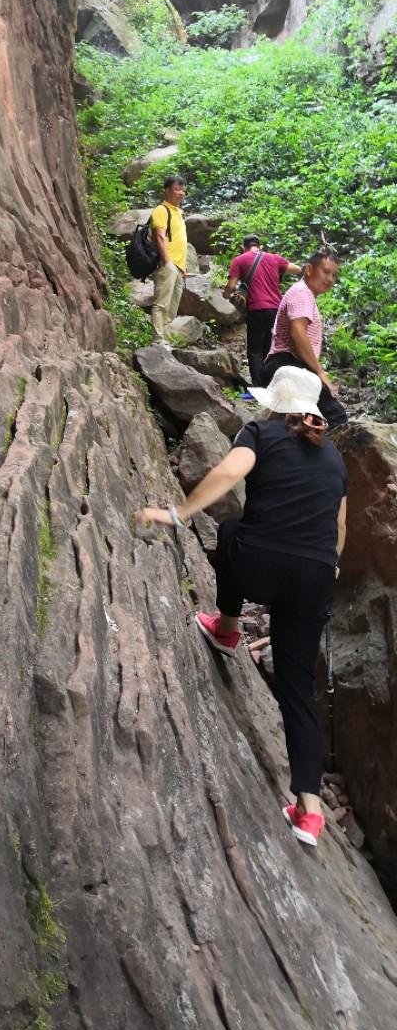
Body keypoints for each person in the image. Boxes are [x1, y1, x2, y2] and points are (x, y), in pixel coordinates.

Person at [135, 366, 348, 849]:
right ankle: (310, 810)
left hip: (258, 564)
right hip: (314, 577)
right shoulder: (335, 459)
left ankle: (227, 628)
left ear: (277, 405)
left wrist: (177, 513)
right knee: (296, 688)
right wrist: (330, 566)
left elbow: (231, 472)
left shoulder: (261, 432)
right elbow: (338, 528)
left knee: (231, 531)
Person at [261, 249, 347, 430]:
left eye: (334, 275)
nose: (330, 279)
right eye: (326, 272)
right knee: (334, 417)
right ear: (308, 269)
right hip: (289, 365)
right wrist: (320, 373)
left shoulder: (303, 293)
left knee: (298, 424)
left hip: (285, 366)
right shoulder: (302, 292)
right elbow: (298, 334)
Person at [223, 234, 301, 386]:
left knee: (255, 351)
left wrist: (226, 295)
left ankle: (259, 387)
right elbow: (298, 269)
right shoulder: (274, 258)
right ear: (260, 247)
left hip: (256, 310)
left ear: (243, 248)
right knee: (270, 350)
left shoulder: (239, 260)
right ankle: (271, 385)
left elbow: (231, 286)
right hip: (276, 311)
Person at [150, 175, 188, 348]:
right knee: (162, 303)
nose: (181, 193)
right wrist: (168, 262)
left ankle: (163, 339)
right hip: (167, 265)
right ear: (167, 191)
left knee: (172, 307)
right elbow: (160, 236)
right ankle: (158, 339)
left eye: (183, 190)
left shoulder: (179, 213)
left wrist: (182, 268)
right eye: (177, 189)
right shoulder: (161, 210)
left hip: (178, 267)